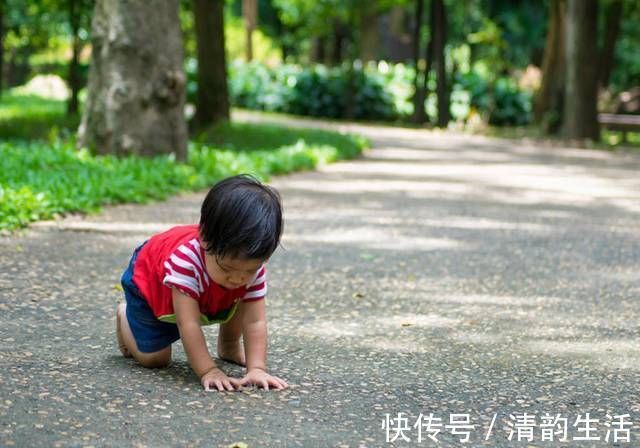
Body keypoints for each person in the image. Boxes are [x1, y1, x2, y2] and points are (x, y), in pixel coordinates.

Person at [116, 174, 288, 392]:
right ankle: (125, 316)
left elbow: (254, 321)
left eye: (250, 270)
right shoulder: (185, 263)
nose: (238, 278)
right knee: (155, 359)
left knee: (239, 296)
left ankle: (228, 346)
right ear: (204, 238)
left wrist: (257, 369)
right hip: (149, 281)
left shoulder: (248, 268)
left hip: (198, 283)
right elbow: (188, 324)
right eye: (227, 268)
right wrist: (208, 370)